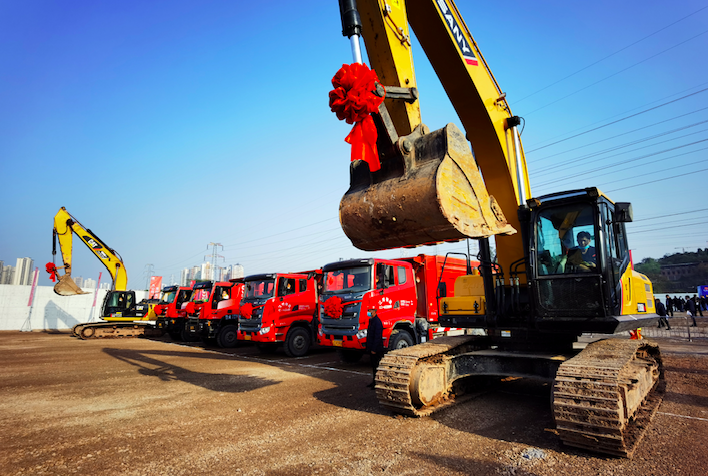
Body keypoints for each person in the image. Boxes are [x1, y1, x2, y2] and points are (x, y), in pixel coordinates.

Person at [365, 308, 385, 388]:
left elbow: (377, 337)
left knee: (377, 366)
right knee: (373, 366)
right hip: (372, 347)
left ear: (374, 311)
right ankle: (374, 382)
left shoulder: (377, 322)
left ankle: (378, 382)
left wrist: (374, 349)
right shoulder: (372, 321)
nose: (368, 312)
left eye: (370, 311)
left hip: (377, 349)